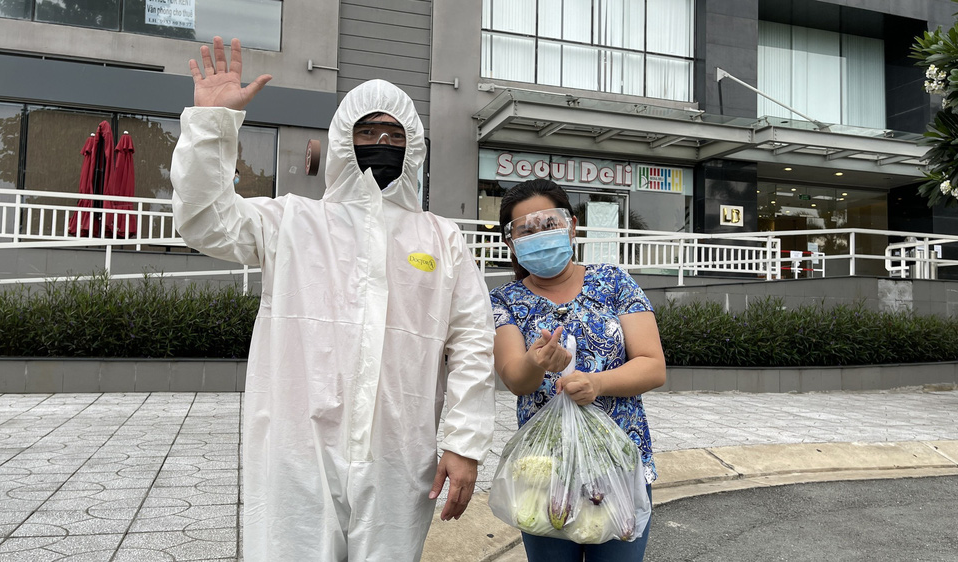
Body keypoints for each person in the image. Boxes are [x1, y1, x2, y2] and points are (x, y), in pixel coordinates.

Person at [170, 37, 496, 562]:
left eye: (394, 132)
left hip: (398, 451)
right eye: (367, 130)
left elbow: (473, 346)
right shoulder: (294, 221)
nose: (381, 141)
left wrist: (464, 443)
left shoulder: (441, 239)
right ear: (343, 139)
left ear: (414, 144)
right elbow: (204, 220)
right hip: (299, 449)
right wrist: (212, 128)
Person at [489, 178, 666, 561]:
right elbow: (515, 380)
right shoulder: (504, 300)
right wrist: (535, 362)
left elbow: (653, 366)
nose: (540, 234)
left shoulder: (614, 281)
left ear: (572, 225)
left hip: (619, 465)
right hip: (543, 476)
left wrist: (597, 383)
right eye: (526, 229)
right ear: (511, 242)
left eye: (549, 223)